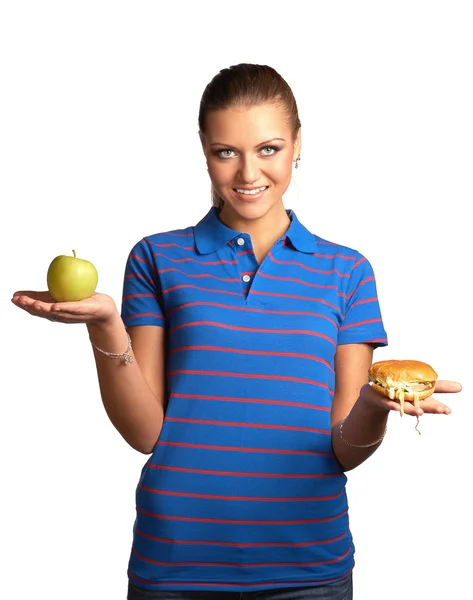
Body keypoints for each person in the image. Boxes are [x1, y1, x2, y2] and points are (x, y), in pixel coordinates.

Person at [12, 63, 462, 600]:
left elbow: (342, 449)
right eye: (226, 152)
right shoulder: (157, 258)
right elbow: (145, 434)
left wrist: (372, 405)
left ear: (299, 144)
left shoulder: (348, 272)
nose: (249, 173)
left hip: (309, 570)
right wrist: (106, 326)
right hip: (175, 567)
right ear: (204, 151)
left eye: (268, 148)